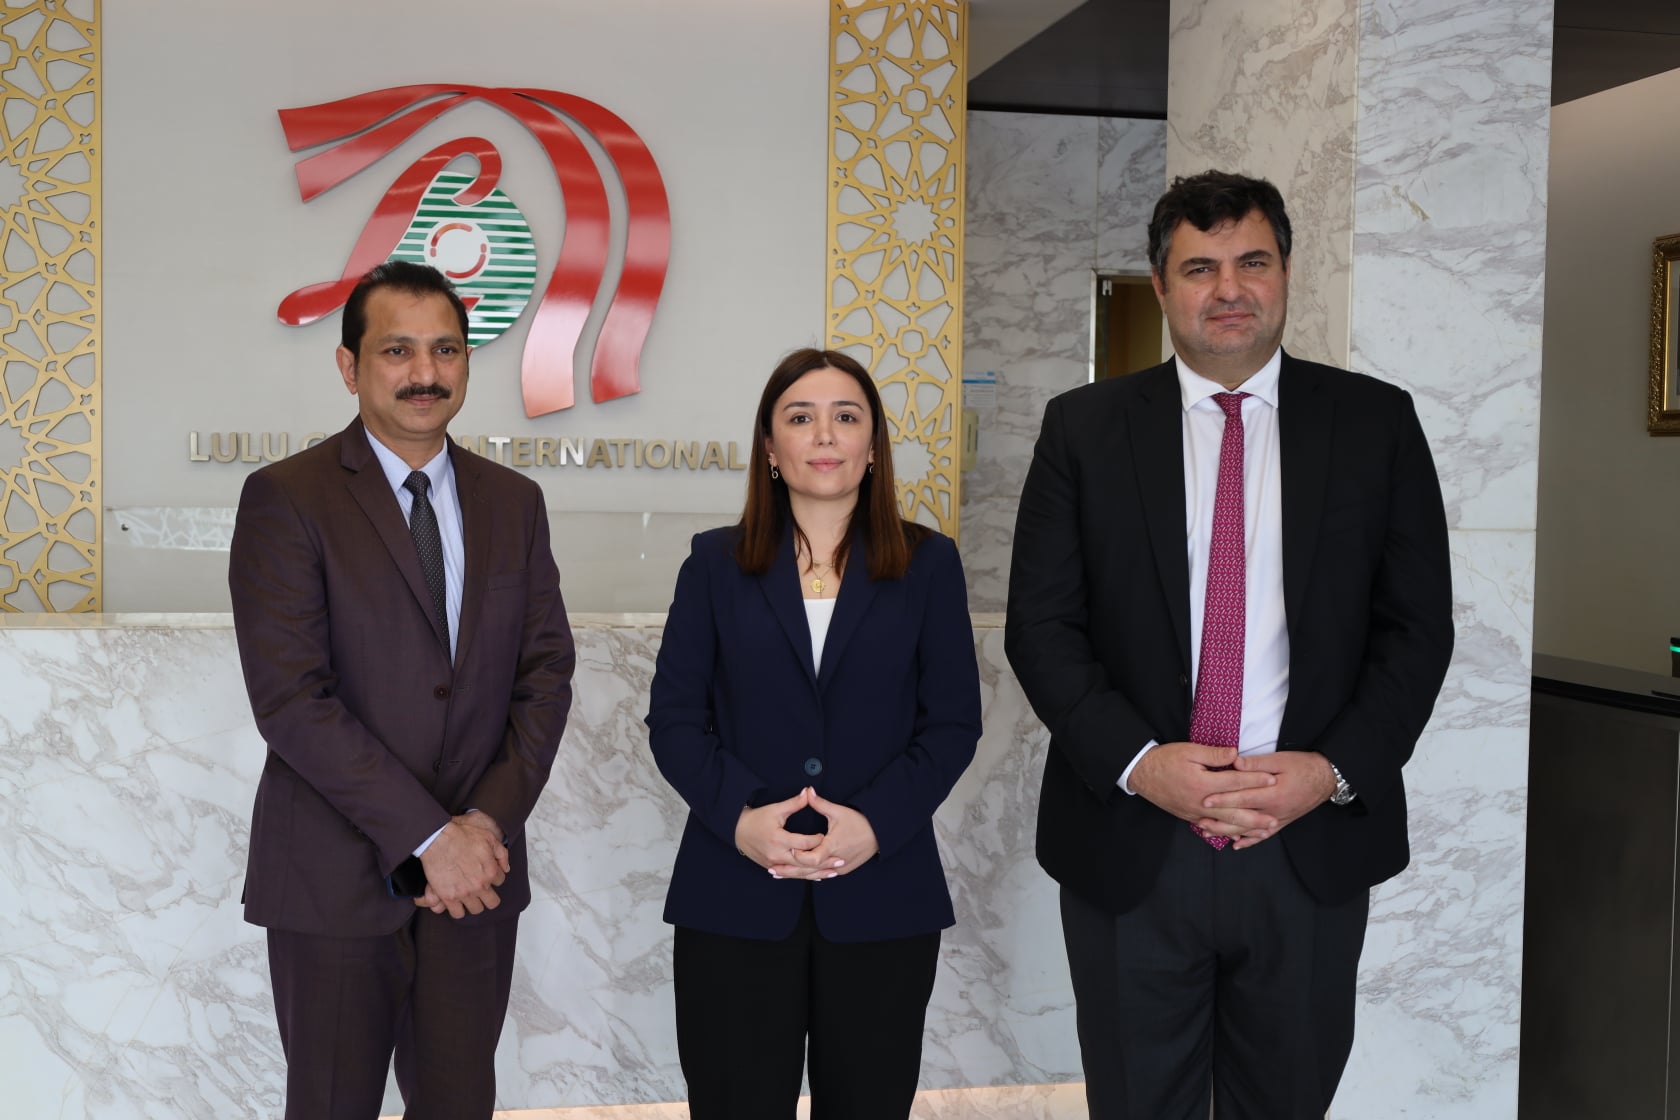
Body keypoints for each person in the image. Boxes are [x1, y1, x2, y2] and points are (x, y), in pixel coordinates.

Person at [1005, 171, 1454, 1119]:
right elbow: (1042, 629)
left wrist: (1330, 772)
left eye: (1253, 262)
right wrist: (1142, 764)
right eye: (1200, 268)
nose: (1230, 289)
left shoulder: (1375, 424)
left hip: (1308, 843)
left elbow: (1417, 631)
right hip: (1133, 843)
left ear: (1286, 272)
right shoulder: (1083, 430)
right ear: (1161, 287)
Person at [228, 260, 575, 1120]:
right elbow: (291, 698)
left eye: (446, 350)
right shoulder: (286, 498)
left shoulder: (515, 503)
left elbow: (545, 674)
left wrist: (483, 827)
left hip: (478, 882)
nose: (426, 372)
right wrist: (429, 837)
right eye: (398, 351)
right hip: (334, 881)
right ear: (349, 367)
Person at [645, 347, 982, 1119]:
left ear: (873, 446)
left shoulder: (929, 564)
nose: (825, 434)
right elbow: (675, 721)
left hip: (882, 893)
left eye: (846, 416)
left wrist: (875, 824)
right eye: (801, 417)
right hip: (734, 892)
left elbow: (953, 724)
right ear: (770, 448)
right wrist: (741, 820)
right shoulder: (713, 564)